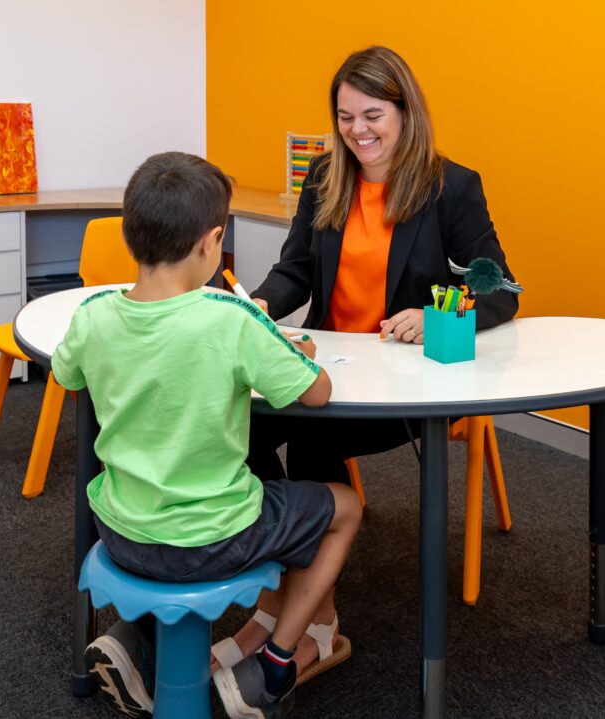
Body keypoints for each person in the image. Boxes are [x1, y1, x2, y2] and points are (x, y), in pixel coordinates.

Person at [214, 46, 519, 679]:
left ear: (407, 113)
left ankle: (290, 614)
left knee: (313, 450)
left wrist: (438, 317)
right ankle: (301, 611)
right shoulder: (327, 175)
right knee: (238, 424)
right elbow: (296, 269)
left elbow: (501, 290)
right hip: (328, 368)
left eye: (373, 114)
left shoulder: (450, 187)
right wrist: (261, 305)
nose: (359, 131)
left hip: (402, 388)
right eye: (347, 117)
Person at [51, 151, 362, 719]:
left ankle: (136, 642)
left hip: (120, 529)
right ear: (212, 240)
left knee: (173, 523)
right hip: (212, 539)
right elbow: (315, 393)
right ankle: (276, 659)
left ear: (128, 235)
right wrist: (295, 349)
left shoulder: (93, 314)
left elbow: (67, 374)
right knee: (345, 508)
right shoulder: (229, 318)